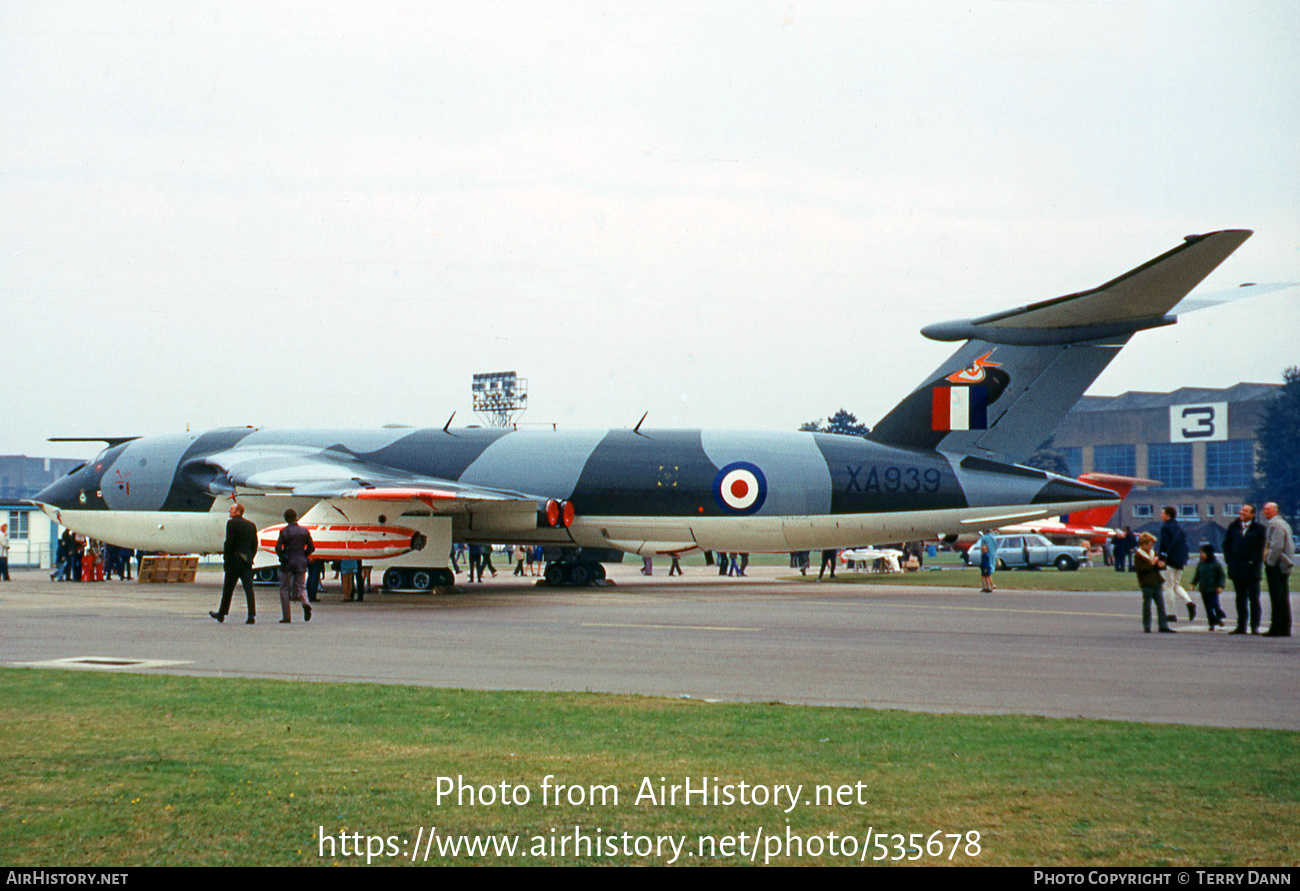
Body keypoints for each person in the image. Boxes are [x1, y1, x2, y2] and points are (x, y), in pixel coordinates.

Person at [211, 502, 259, 624]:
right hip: (246, 561)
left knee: (228, 588)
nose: (229, 511)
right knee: (249, 589)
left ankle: (222, 613)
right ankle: (251, 615)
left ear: (238, 512)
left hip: (234, 560)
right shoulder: (251, 525)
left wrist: (227, 559)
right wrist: (250, 557)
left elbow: (229, 543)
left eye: (232, 509)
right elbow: (254, 544)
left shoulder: (231, 523)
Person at [1223, 504, 1266, 635]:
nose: (1243, 513)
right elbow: (1226, 545)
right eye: (1242, 511)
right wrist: (1229, 560)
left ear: (1252, 514)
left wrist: (1253, 561)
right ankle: (1241, 626)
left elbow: (1261, 548)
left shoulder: (1259, 529)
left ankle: (1254, 626)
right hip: (1237, 569)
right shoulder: (1233, 527)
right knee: (1240, 598)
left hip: (1252, 570)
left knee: (1254, 599)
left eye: (1246, 511)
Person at [275, 509, 314, 623]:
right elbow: (312, 547)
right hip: (301, 561)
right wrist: (304, 555)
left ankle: (286, 616)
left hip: (288, 562)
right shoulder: (304, 531)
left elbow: (278, 547)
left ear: (286, 519)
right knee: (301, 586)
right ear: (296, 517)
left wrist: (282, 555)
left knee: (284, 589)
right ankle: (305, 603)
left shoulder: (284, 531)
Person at [1157, 506, 1194, 622]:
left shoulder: (1165, 528)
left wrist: (1161, 558)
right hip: (1180, 560)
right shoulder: (1180, 528)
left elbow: (1164, 544)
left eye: (1162, 513)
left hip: (1169, 560)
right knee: (1176, 584)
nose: (1160, 515)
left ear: (1167, 515)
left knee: (1168, 586)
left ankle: (1171, 614)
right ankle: (1189, 603)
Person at [1262, 502, 1293, 637]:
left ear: (1276, 510)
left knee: (1277, 598)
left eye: (1269, 509)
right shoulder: (1283, 524)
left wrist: (1270, 562)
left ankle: (1277, 627)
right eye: (1265, 509)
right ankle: (1284, 628)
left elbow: (1277, 546)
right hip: (1282, 565)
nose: (1266, 512)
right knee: (1282, 597)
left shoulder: (1276, 525)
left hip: (1277, 566)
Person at [1134, 532, 1173, 633]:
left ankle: (1163, 625)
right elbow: (1140, 569)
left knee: (1161, 605)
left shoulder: (1152, 553)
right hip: (1146, 583)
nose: (1152, 546)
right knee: (1147, 605)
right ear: (1144, 545)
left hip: (1156, 581)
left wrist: (1160, 565)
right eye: (1150, 544)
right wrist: (1152, 563)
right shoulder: (1138, 556)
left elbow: (1156, 566)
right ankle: (1147, 626)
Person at [1190, 544, 1227, 631]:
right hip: (1204, 589)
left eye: (1203, 552)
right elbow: (1197, 575)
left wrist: (1220, 586)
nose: (1201, 554)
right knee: (1208, 608)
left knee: (1215, 605)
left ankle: (1219, 617)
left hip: (1213, 589)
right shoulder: (1201, 564)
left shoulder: (1216, 564)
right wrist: (1193, 583)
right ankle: (1212, 623)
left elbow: (1221, 576)